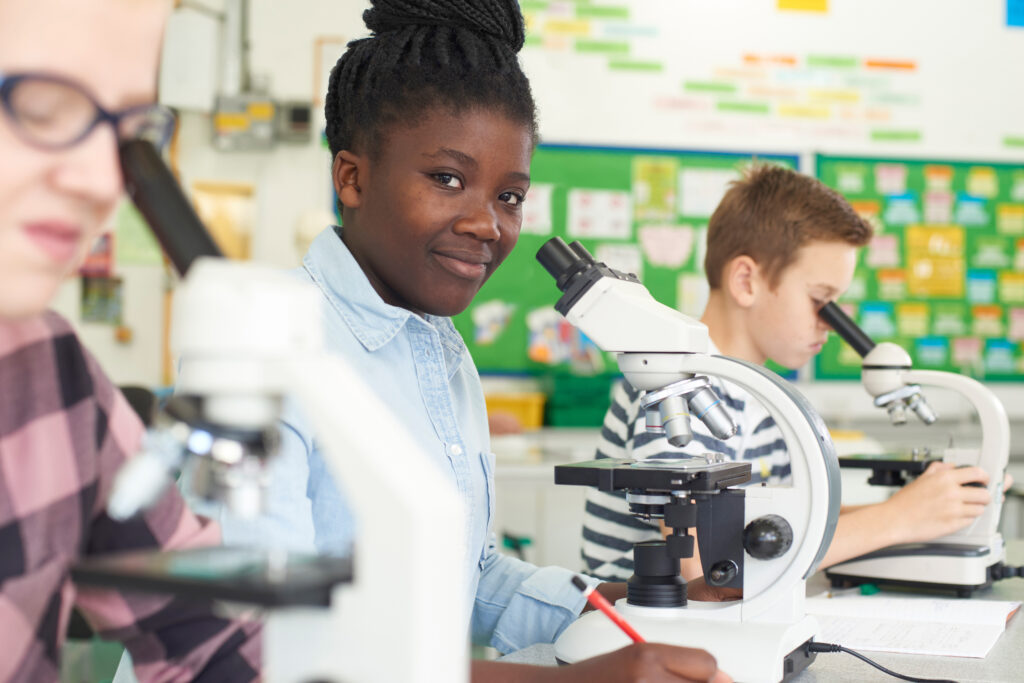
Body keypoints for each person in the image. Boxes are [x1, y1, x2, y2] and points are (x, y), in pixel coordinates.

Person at [191, 0, 728, 680]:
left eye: (509, 196)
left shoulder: (443, 354)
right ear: (351, 177)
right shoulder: (258, 350)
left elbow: (464, 575)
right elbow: (256, 642)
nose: (487, 224)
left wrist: (621, 604)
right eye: (448, 179)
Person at [0, 0, 261, 680]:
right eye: (42, 106)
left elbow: (206, 633)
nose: (100, 181)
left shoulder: (52, 374)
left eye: (126, 132)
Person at [580, 164, 994, 585]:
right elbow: (705, 568)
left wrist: (934, 507)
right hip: (640, 635)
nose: (831, 323)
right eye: (821, 300)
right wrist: (898, 519)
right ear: (747, 281)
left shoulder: (759, 393)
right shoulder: (677, 382)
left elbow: (776, 528)